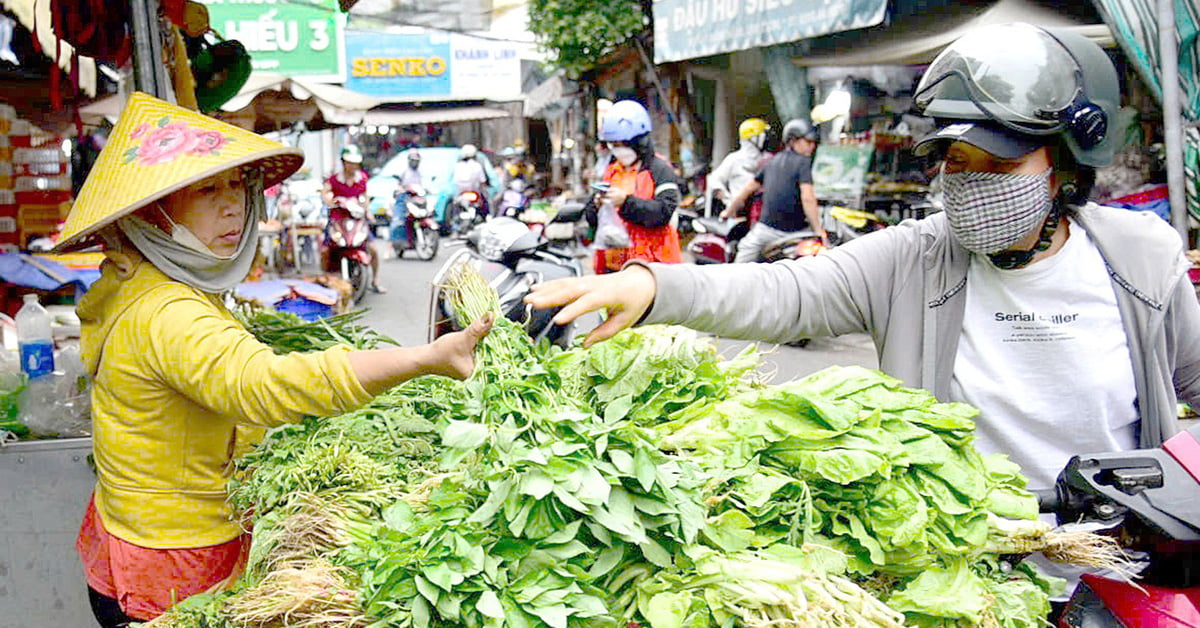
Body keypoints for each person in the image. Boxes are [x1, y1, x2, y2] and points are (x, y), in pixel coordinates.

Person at [528, 21, 1200, 538]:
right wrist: (654, 289)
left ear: (1067, 161)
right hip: (962, 565)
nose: (965, 185)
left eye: (993, 164)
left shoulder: (1141, 261)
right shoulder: (913, 258)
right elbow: (783, 295)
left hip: (1120, 570)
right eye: (952, 162)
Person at [60, 92, 493, 627]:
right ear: (153, 211)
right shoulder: (165, 311)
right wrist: (424, 358)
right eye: (205, 190)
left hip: (142, 537)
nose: (232, 207)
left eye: (236, 187)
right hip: (169, 562)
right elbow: (265, 385)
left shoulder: (148, 281)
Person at [587, 99, 684, 274]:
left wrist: (625, 202)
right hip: (613, 267)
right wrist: (597, 204)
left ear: (639, 142)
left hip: (652, 268)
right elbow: (592, 219)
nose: (618, 150)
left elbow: (662, 212)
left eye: (623, 144)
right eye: (613, 145)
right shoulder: (611, 172)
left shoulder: (660, 170)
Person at [720, 118, 828, 262]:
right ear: (793, 141)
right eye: (808, 142)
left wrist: (728, 212)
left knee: (740, 265)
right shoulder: (803, 163)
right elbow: (807, 198)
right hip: (797, 233)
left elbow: (747, 190)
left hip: (766, 231)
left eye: (814, 143)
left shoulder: (773, 161)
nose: (812, 146)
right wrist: (818, 230)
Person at [322, 145, 385, 293]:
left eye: (355, 163)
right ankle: (325, 279)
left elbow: (365, 196)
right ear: (344, 162)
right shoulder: (334, 180)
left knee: (374, 249)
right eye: (350, 162)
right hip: (338, 220)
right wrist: (329, 200)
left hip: (357, 221)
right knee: (325, 250)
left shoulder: (362, 178)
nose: (353, 166)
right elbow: (325, 193)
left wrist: (366, 209)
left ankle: (375, 280)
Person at [706, 117, 772, 221]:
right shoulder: (734, 159)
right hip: (739, 215)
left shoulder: (768, 159)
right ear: (754, 138)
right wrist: (729, 200)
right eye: (764, 136)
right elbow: (714, 180)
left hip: (763, 212)